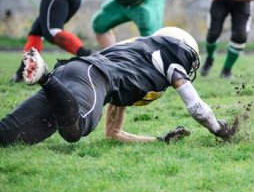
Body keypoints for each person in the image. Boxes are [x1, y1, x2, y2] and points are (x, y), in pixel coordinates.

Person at [0, 27, 236, 146]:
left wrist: (159, 141)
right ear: (181, 49)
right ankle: (44, 76)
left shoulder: (135, 55)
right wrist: (218, 129)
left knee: (9, 135)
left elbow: (112, 134)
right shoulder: (170, 59)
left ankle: (48, 79)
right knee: (74, 131)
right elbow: (196, 107)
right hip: (94, 77)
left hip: (76, 71)